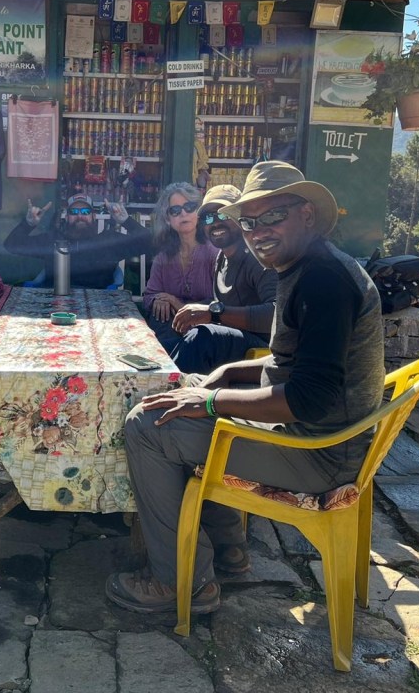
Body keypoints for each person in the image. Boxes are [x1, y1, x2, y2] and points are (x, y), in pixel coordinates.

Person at [106, 160, 384, 616]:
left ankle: (181, 582)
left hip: (319, 454)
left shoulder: (323, 281)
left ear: (307, 214)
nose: (258, 232)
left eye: (273, 216)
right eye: (250, 223)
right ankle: (229, 551)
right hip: (315, 437)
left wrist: (212, 402)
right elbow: (290, 365)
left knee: (148, 425)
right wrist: (230, 375)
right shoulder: (307, 266)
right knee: (182, 389)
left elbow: (308, 398)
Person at [169, 184, 278, 373]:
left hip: (262, 351)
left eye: (223, 215)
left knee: (203, 337)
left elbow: (277, 313)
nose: (215, 223)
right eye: (209, 218)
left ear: (241, 218)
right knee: (166, 340)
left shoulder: (257, 257)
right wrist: (193, 311)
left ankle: (172, 390)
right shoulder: (221, 257)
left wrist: (213, 313)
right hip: (233, 339)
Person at [3, 193, 152, 289]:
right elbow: (12, 245)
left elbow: (149, 244)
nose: (80, 216)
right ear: (67, 217)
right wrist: (28, 224)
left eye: (85, 212)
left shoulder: (109, 241)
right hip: (54, 305)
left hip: (99, 309)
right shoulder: (53, 240)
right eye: (74, 212)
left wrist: (126, 221)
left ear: (93, 216)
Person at [142, 183, 218, 351]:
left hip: (207, 328)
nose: (183, 213)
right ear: (168, 219)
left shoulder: (214, 253)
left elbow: (221, 303)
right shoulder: (163, 258)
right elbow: (148, 296)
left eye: (189, 207)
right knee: (160, 312)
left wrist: (175, 302)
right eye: (175, 210)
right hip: (172, 327)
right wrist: (159, 299)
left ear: (198, 212)